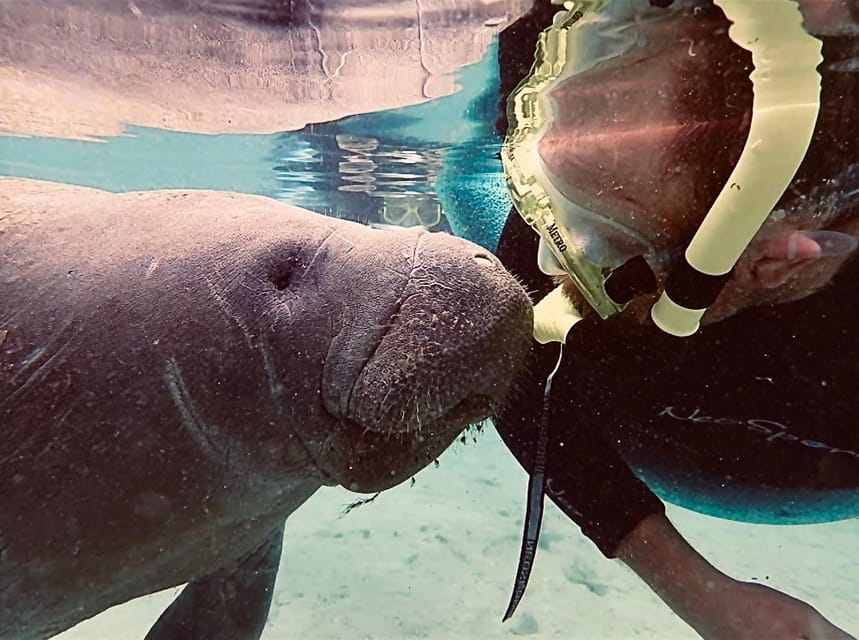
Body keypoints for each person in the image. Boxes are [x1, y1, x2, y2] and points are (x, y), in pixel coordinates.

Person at [488, 0, 859, 638]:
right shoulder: (567, 236)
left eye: (600, 236)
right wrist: (698, 590)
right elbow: (515, 381)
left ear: (778, 263)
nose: (546, 258)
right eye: (549, 191)